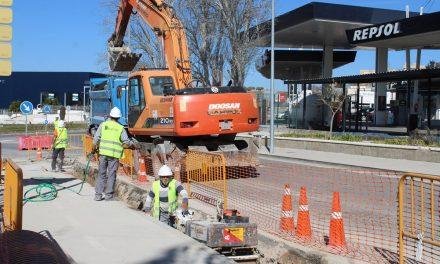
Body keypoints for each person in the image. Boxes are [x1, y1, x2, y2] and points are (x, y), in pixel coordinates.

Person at [92, 107, 135, 201]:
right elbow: (126, 142)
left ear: (110, 115)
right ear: (118, 117)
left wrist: (93, 149)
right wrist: (132, 144)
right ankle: (108, 196)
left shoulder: (103, 125)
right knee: (111, 175)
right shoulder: (120, 128)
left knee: (101, 174)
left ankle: (98, 196)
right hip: (114, 156)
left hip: (103, 154)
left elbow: (95, 139)